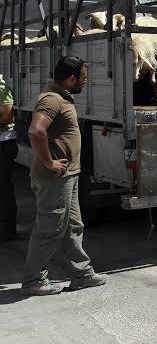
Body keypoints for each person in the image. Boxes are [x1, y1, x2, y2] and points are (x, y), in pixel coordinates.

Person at [21, 56, 107, 296]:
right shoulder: (51, 99)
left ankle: (82, 274)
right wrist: (49, 162)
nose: (85, 82)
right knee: (50, 228)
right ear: (71, 79)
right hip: (54, 178)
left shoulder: (62, 97)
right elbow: (36, 131)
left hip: (67, 176)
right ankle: (33, 280)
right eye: (83, 78)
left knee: (72, 227)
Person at [0, 72, 18, 243]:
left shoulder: (1, 88)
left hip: (4, 144)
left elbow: (7, 116)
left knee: (3, 191)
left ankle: (7, 230)